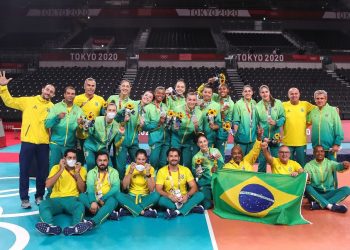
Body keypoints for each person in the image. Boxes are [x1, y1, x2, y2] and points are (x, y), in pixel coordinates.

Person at [0, 71, 55, 208]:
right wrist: (3, 87)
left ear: (53, 95)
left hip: (43, 144)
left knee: (42, 172)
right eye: (47, 89)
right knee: (24, 171)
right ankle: (24, 199)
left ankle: (39, 196)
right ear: (42, 89)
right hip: (27, 142)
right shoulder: (28, 101)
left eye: (51, 91)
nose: (48, 92)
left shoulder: (53, 108)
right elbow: (9, 101)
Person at [35, 149, 89, 236]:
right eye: (69, 158)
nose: (72, 160)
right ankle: (50, 227)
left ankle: (75, 227)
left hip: (72, 199)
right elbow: (48, 184)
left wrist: (77, 174)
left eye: (74, 158)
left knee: (80, 205)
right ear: (64, 158)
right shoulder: (56, 168)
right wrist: (61, 170)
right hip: (56, 199)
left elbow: (82, 190)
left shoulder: (81, 169)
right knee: (43, 204)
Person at [156, 148, 205, 219]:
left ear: (179, 158)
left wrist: (187, 196)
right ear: (167, 158)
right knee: (161, 201)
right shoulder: (161, 171)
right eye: (171, 156)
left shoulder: (185, 170)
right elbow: (158, 190)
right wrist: (170, 196)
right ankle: (189, 208)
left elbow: (194, 186)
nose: (173, 158)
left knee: (200, 195)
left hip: (184, 199)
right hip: (171, 200)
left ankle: (176, 212)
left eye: (176, 156)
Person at [115, 91, 154, 179]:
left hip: (135, 142)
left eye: (150, 97)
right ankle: (122, 187)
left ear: (151, 101)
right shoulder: (131, 104)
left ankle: (138, 184)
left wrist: (143, 125)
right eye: (146, 95)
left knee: (139, 165)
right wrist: (123, 115)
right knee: (121, 167)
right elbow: (117, 117)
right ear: (142, 95)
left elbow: (148, 127)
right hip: (123, 140)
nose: (147, 97)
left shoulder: (148, 111)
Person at [79, 152, 120, 231]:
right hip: (94, 198)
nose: (102, 163)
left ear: (108, 161)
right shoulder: (91, 172)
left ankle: (92, 222)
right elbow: (90, 188)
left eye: (105, 160)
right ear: (96, 161)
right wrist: (94, 201)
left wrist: (103, 198)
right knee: (81, 196)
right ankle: (107, 213)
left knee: (113, 200)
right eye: (100, 160)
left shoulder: (114, 172)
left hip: (107, 199)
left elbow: (116, 188)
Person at [45, 86, 84, 169]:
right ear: (64, 95)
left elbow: (82, 129)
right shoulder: (56, 107)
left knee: (69, 169)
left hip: (70, 145)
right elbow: (47, 124)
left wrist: (81, 124)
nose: (70, 95)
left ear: (75, 96)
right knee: (54, 168)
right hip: (56, 144)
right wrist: (57, 117)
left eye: (72, 94)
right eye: (68, 93)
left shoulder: (78, 110)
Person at [304, 145, 350, 213]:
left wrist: (343, 165)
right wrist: (307, 177)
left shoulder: (330, 163)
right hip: (316, 194)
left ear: (324, 153)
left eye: (322, 151)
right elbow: (306, 178)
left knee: (347, 189)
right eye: (317, 151)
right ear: (313, 153)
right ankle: (330, 205)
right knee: (306, 187)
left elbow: (338, 166)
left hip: (329, 193)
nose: (320, 153)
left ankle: (319, 205)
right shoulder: (308, 165)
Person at [117, 149, 160, 218]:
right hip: (131, 197)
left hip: (145, 198)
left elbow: (152, 189)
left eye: (143, 159)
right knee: (117, 195)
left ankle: (130, 210)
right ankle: (142, 212)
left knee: (157, 195)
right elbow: (124, 186)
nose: (141, 162)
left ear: (146, 159)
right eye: (139, 159)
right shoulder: (130, 167)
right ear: (135, 159)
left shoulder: (150, 168)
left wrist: (148, 173)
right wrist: (130, 171)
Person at [81, 102, 124, 171]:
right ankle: (90, 181)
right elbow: (87, 134)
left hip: (102, 148)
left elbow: (116, 144)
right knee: (91, 164)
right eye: (109, 110)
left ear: (116, 112)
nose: (111, 112)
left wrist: (120, 134)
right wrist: (86, 129)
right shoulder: (97, 120)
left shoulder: (116, 126)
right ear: (106, 111)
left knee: (109, 167)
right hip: (90, 147)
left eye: (113, 110)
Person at [74, 77, 105, 163]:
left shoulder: (100, 100)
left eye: (93, 85)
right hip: (80, 135)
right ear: (84, 86)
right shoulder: (76, 99)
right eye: (88, 85)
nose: (91, 87)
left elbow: (104, 115)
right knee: (80, 161)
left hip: (94, 136)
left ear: (95, 87)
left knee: (94, 161)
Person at [307, 90, 344, 161]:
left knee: (332, 169)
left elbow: (338, 129)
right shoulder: (313, 111)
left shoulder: (333, 110)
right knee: (318, 170)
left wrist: (337, 144)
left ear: (326, 99)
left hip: (330, 148)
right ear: (314, 100)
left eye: (322, 98)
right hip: (316, 148)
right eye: (317, 98)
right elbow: (304, 121)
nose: (319, 100)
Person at [256, 85, 285, 172]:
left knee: (276, 161)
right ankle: (261, 181)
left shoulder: (278, 103)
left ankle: (277, 180)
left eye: (266, 92)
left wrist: (276, 122)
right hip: (263, 139)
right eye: (262, 92)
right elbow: (257, 124)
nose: (264, 94)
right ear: (260, 94)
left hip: (275, 137)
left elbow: (283, 117)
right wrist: (262, 137)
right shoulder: (257, 106)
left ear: (269, 92)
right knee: (262, 161)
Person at [282, 88, 315, 166]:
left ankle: (302, 178)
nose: (294, 95)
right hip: (287, 141)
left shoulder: (305, 104)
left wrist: (334, 108)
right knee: (288, 165)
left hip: (301, 142)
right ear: (288, 95)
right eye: (292, 94)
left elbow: (318, 108)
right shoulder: (283, 105)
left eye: (296, 93)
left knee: (302, 164)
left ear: (299, 94)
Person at [171, 92, 203, 168]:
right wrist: (175, 127)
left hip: (188, 140)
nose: (191, 102)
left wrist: (196, 127)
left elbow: (199, 132)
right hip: (176, 139)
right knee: (176, 162)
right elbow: (171, 127)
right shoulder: (177, 109)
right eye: (189, 99)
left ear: (196, 101)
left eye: (194, 100)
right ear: (186, 100)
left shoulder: (199, 113)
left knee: (188, 162)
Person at [192, 134, 224, 209]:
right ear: (197, 144)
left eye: (204, 141)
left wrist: (217, 160)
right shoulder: (196, 157)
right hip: (206, 183)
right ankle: (208, 196)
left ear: (207, 141)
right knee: (207, 206)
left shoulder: (215, 151)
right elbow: (197, 176)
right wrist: (198, 170)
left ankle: (214, 197)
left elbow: (222, 165)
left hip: (217, 181)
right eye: (200, 142)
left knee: (221, 205)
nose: (203, 144)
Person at [143, 86, 170, 170]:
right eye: (158, 93)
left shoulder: (166, 107)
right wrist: (158, 123)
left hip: (166, 140)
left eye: (163, 93)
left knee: (163, 163)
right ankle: (152, 181)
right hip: (154, 139)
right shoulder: (147, 108)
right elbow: (144, 126)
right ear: (155, 93)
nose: (160, 95)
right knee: (154, 162)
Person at [233, 85, 258, 155]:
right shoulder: (238, 104)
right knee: (240, 160)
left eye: (249, 91)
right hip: (241, 138)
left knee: (249, 162)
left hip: (252, 138)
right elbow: (236, 121)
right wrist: (235, 135)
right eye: (245, 91)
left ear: (252, 92)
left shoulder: (254, 103)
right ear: (242, 93)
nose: (247, 93)